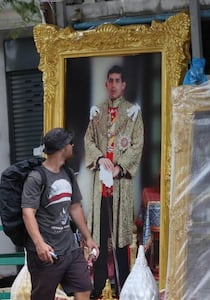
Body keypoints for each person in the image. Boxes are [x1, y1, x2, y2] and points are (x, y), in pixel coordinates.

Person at [84, 65, 144, 297]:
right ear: (106, 84)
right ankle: (98, 286)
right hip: (100, 183)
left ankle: (123, 286)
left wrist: (120, 167)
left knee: (120, 237)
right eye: (110, 80)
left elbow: (138, 143)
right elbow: (88, 140)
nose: (114, 84)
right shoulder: (97, 112)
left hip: (120, 184)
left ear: (124, 85)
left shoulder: (132, 112)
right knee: (98, 236)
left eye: (118, 80)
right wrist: (99, 158)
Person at [22, 127, 99, 300]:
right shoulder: (36, 178)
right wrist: (39, 244)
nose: (73, 146)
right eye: (70, 143)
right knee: (43, 296)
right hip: (47, 253)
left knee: (84, 287)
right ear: (63, 148)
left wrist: (88, 238)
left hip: (69, 248)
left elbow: (75, 208)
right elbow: (28, 213)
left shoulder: (68, 174)